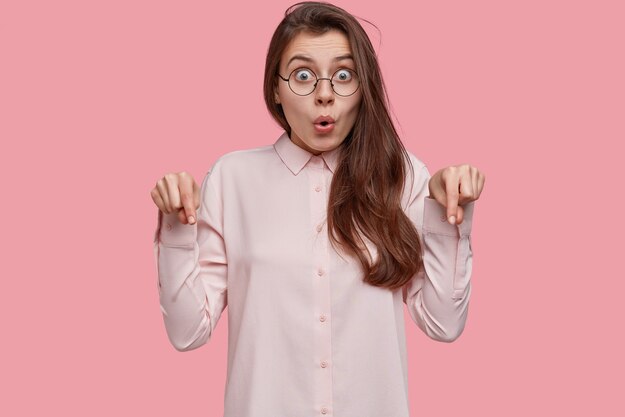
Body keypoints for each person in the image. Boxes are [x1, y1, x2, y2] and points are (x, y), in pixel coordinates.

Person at [150, 2, 485, 416]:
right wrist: (176, 227)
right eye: (303, 75)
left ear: (363, 88)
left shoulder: (404, 176)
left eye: (343, 76)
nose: (324, 94)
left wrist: (448, 214)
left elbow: (444, 324)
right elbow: (187, 332)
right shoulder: (232, 179)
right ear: (275, 87)